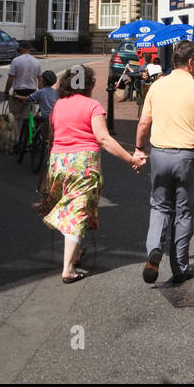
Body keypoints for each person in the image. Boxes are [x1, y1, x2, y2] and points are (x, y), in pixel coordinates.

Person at [40, 65, 145, 283]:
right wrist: (131, 159)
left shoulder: (59, 105)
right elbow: (104, 139)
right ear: (88, 85)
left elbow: (51, 137)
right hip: (83, 164)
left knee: (72, 209)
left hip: (58, 162)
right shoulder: (92, 105)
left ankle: (76, 253)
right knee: (77, 212)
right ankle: (68, 269)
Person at [134, 40, 194, 284]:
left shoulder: (157, 86)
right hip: (187, 157)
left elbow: (143, 124)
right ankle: (180, 267)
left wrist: (140, 149)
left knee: (160, 206)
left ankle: (153, 249)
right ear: (191, 62)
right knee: (186, 211)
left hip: (159, 155)